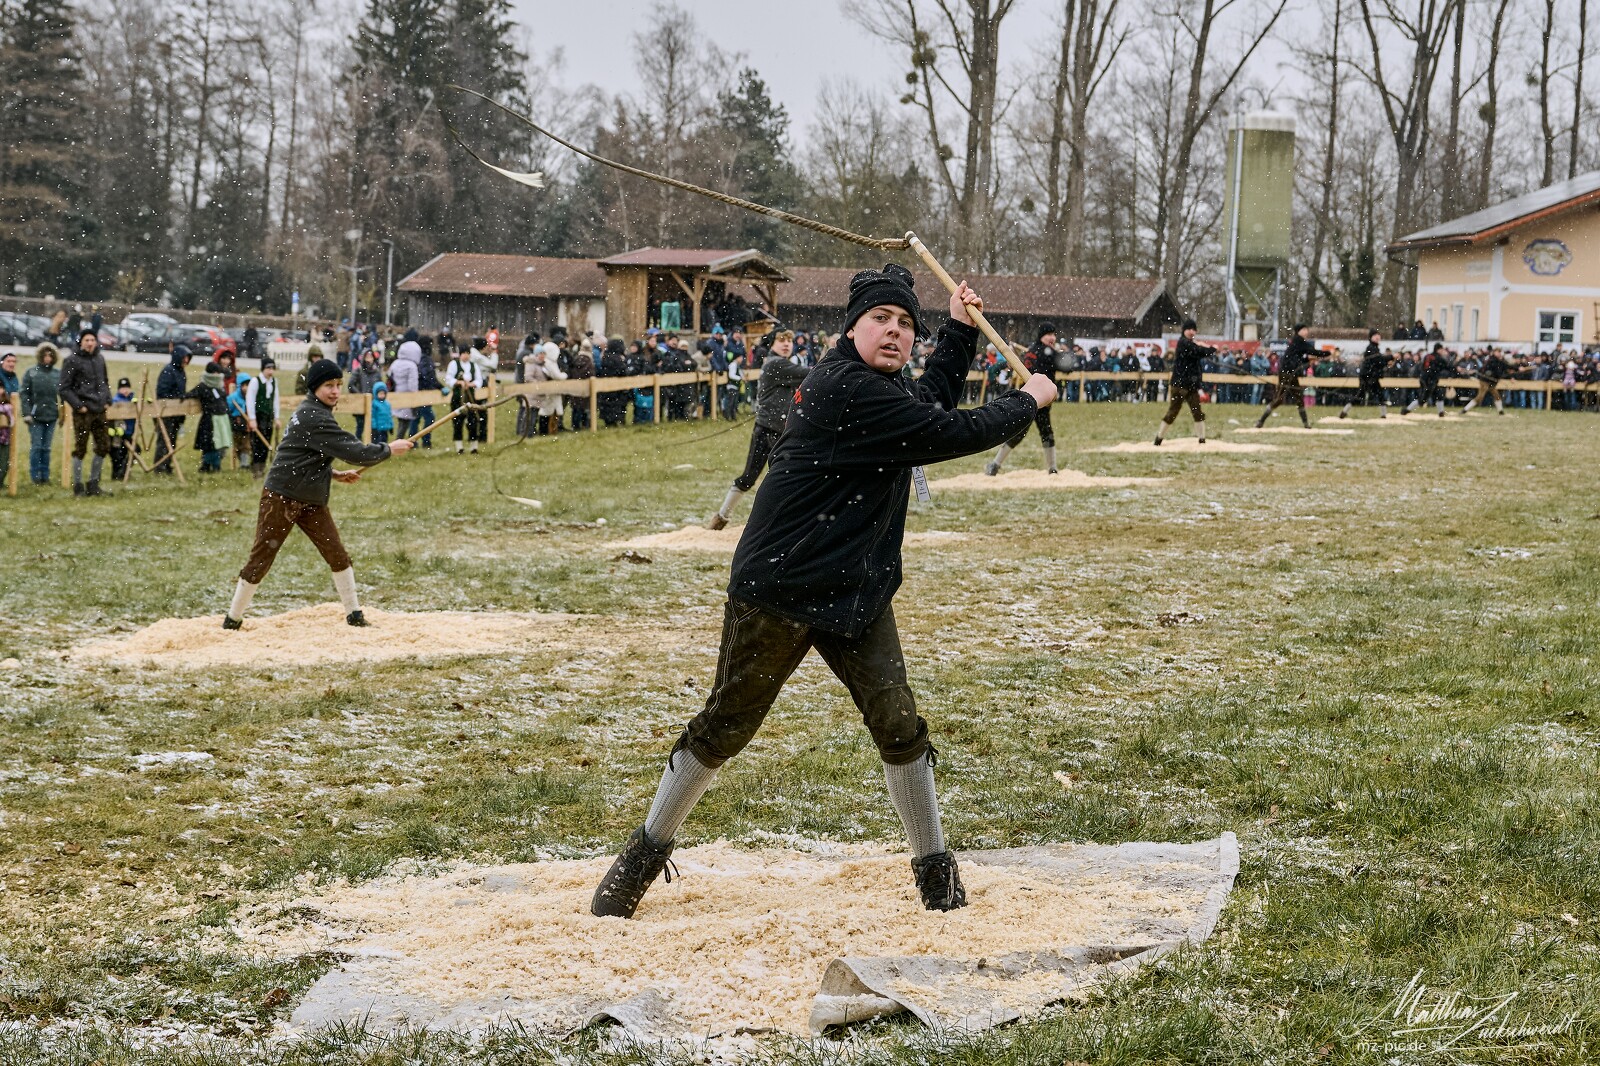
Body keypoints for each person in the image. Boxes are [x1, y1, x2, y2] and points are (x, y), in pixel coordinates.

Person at [590, 265, 1056, 920]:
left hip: (856, 593)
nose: (893, 333)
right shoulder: (844, 387)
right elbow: (947, 434)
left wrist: (954, 329)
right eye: (880, 321)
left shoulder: (882, 389)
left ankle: (935, 873)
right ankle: (639, 858)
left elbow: (930, 411)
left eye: (904, 325)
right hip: (778, 588)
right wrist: (1028, 399)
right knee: (726, 726)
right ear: (852, 328)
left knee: (899, 726)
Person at [223, 359, 414, 630]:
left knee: (337, 554)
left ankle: (354, 614)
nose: (335, 391)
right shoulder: (314, 416)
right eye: (328, 386)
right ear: (314, 388)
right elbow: (355, 451)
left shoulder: (315, 412)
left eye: (338, 385)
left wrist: (334, 474)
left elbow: (306, 455)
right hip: (282, 497)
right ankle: (232, 619)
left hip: (310, 499)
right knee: (261, 558)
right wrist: (388, 449)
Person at [707, 326, 805, 529]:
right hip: (768, 430)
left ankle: (773, 523)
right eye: (781, 340)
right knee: (752, 477)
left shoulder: (780, 364)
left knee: (783, 478)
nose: (787, 344)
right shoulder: (776, 364)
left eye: (789, 340)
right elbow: (811, 374)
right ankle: (722, 518)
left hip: (780, 431)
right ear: (772, 344)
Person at [984, 322, 1061, 475]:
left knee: (1039, 432)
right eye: (1049, 335)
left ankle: (1052, 468)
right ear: (1042, 336)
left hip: (1037, 400)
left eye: (1054, 334)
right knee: (1025, 433)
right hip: (1034, 398)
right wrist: (1056, 356)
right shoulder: (1042, 352)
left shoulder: (1040, 351)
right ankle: (995, 464)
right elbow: (1066, 366)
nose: (1052, 338)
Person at [57, 328, 114, 496]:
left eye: (92, 340)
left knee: (103, 446)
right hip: (83, 411)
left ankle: (94, 484)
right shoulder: (72, 360)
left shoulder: (99, 359)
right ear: (81, 342)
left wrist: (107, 399)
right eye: (87, 340)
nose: (90, 343)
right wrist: (78, 405)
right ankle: (78, 485)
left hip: (100, 409)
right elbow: (64, 388)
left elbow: (105, 381)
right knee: (80, 448)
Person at [1154, 318, 1211, 445]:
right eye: (1189, 329)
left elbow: (1198, 353)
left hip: (1187, 385)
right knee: (1178, 412)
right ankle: (1159, 438)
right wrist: (1211, 349)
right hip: (1182, 385)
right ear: (1184, 331)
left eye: (1193, 329)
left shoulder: (1188, 343)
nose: (1192, 332)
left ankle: (1201, 440)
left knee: (1193, 412)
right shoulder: (1184, 343)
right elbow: (1198, 351)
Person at [1254, 324, 1317, 429]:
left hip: (1293, 375)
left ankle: (1306, 424)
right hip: (1286, 374)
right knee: (1279, 399)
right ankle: (1261, 421)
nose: (1306, 332)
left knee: (1299, 400)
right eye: (1304, 330)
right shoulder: (1297, 343)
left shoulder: (1298, 344)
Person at [20, 343, 60, 485]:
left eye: (50, 355)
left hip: (52, 415)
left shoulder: (57, 374)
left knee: (46, 448)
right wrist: (26, 413)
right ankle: (35, 475)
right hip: (35, 417)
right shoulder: (31, 372)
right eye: (45, 355)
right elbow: (24, 394)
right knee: (37, 446)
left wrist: (61, 413)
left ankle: (45, 475)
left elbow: (63, 394)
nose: (47, 358)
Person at [188, 361, 232, 473]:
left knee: (219, 444)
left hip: (221, 419)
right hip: (209, 420)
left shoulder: (220, 386)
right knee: (211, 444)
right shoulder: (202, 386)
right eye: (215, 372)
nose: (217, 375)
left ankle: (211, 465)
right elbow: (189, 395)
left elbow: (224, 401)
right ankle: (209, 465)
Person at [445, 342, 487, 452]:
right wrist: (459, 382)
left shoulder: (474, 366)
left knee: (473, 422)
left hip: (471, 398)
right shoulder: (454, 364)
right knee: (458, 422)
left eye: (467, 353)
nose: (466, 355)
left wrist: (471, 384)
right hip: (458, 398)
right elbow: (448, 379)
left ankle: (474, 446)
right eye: (464, 353)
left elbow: (479, 380)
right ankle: (459, 447)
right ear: (460, 354)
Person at [1340, 330, 1393, 419]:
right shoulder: (1371, 348)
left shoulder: (1374, 348)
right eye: (1375, 335)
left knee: (1378, 395)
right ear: (1371, 337)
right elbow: (1378, 360)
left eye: (1378, 335)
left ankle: (1383, 415)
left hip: (1371, 376)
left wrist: (1387, 361)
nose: (1377, 337)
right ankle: (1344, 411)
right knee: (1362, 395)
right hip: (1367, 376)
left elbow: (1379, 362)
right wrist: (1391, 357)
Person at [245, 358, 280, 478]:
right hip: (258, 417)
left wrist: (277, 417)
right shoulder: (255, 381)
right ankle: (255, 468)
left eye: (272, 369)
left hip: (268, 416)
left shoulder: (274, 382)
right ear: (263, 369)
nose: (271, 371)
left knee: (267, 441)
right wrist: (252, 419)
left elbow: (275, 400)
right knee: (257, 443)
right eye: (268, 368)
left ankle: (262, 466)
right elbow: (250, 400)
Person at [526, 340, 567, 435]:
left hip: (551, 390)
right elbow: (556, 375)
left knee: (549, 411)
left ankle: (548, 430)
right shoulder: (548, 362)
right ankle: (544, 431)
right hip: (549, 391)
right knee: (546, 412)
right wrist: (564, 375)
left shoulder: (549, 362)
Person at [1462, 348, 1518, 415]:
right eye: (1498, 352)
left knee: (1497, 396)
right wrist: (1510, 372)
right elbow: (1498, 370)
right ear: (1494, 352)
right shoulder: (1492, 360)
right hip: (1485, 381)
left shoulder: (1499, 361)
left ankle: (1501, 411)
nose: (1499, 353)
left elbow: (1506, 367)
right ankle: (1465, 410)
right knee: (1480, 397)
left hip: (1492, 382)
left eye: (1500, 352)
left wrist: (1517, 369)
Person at [1404, 343, 1453, 417]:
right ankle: (1406, 410)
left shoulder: (1427, 356)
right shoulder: (1438, 358)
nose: (1443, 351)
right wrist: (1455, 370)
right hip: (1430, 380)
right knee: (1423, 399)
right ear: (1439, 349)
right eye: (1442, 349)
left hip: (1424, 379)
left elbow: (1422, 367)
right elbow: (1448, 366)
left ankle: (1441, 412)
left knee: (1439, 395)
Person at [390, 330, 422, 440]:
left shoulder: (395, 363)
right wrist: (415, 397)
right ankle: (399, 440)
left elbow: (390, 377)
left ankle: (398, 439)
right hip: (407, 396)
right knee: (405, 421)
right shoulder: (412, 366)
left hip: (396, 394)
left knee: (400, 419)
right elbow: (413, 384)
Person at [596, 338, 630, 427]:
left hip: (606, 385)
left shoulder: (605, 356)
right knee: (616, 403)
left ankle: (609, 421)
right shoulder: (617, 358)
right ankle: (615, 420)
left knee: (608, 403)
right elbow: (622, 371)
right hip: (617, 386)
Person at [109, 377, 136, 480]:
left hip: (128, 433)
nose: (125, 390)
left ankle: (124, 471)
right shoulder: (116, 401)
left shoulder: (132, 400)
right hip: (118, 434)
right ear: (118, 389)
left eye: (127, 387)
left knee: (134, 450)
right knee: (117, 455)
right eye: (122, 388)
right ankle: (117, 475)